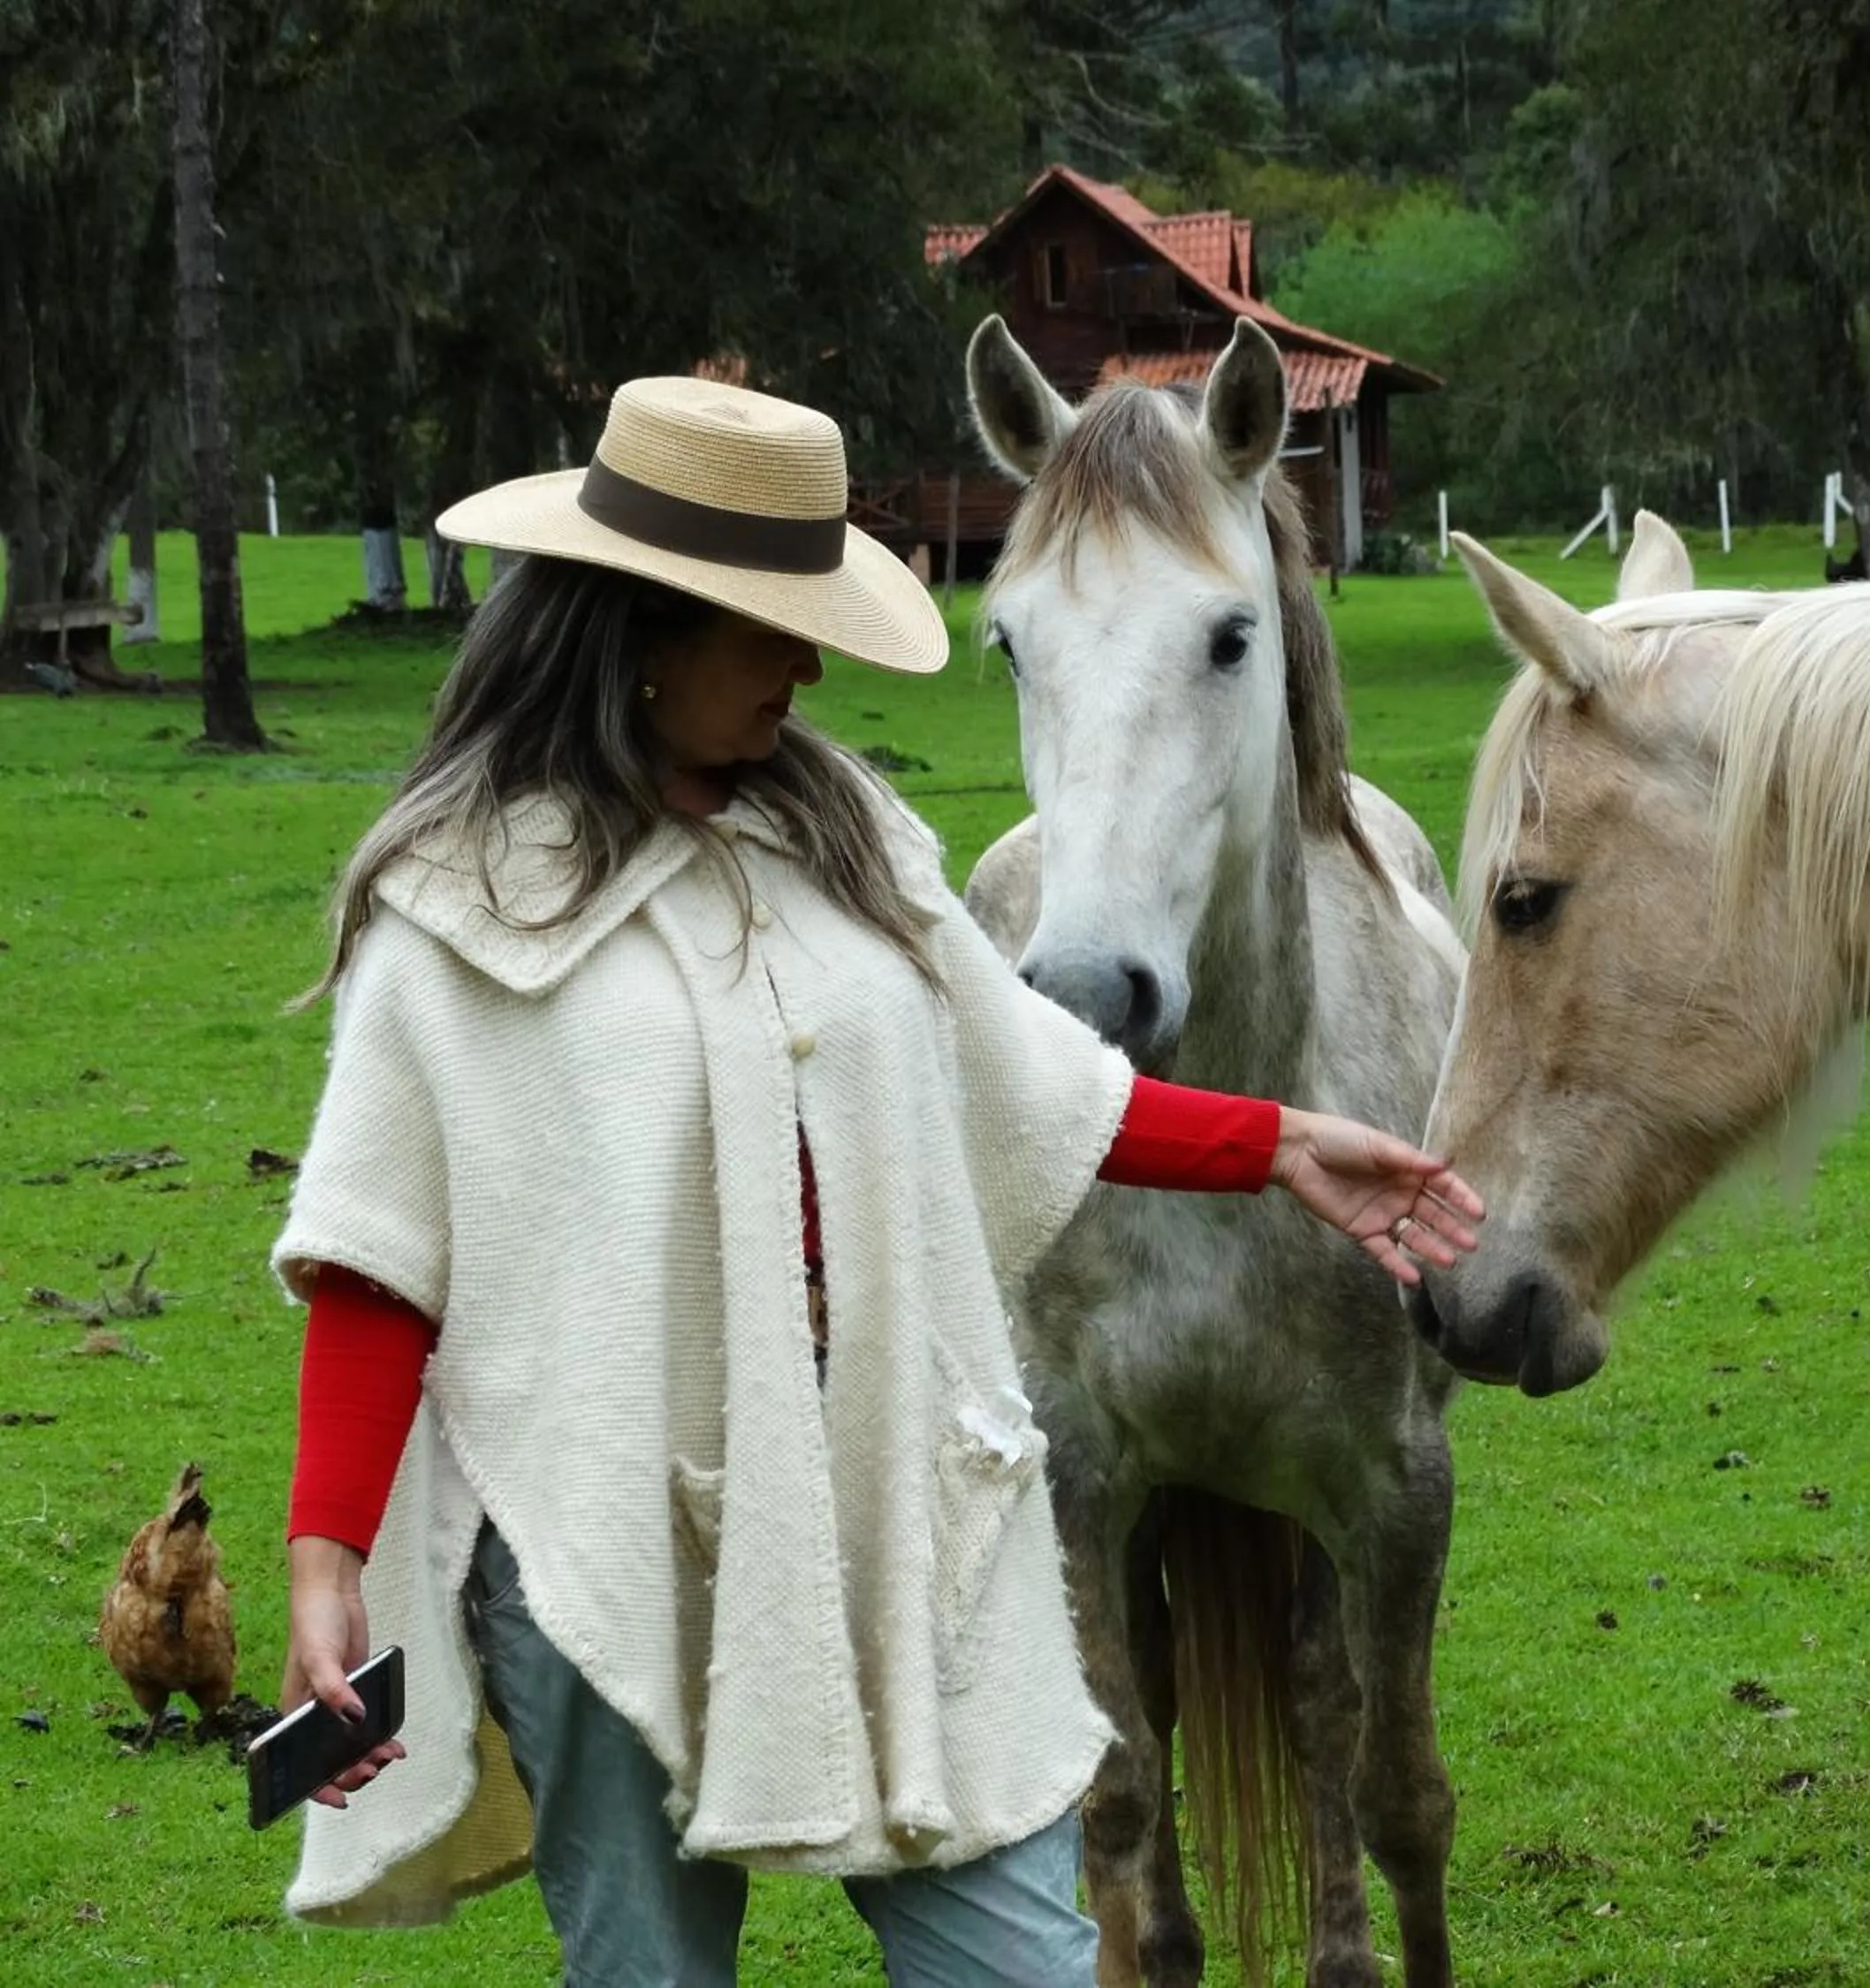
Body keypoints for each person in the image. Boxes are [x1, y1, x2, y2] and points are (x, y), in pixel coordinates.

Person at [270, 375, 1482, 1983]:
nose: (812, 666)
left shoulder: (845, 843)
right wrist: (326, 1559)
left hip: (886, 1511)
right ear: (644, 628)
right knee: (652, 1971)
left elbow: (1028, 1081)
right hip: (594, 1544)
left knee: (1018, 1957)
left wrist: (1278, 1144)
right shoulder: (454, 914)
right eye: (774, 628)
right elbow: (379, 1255)